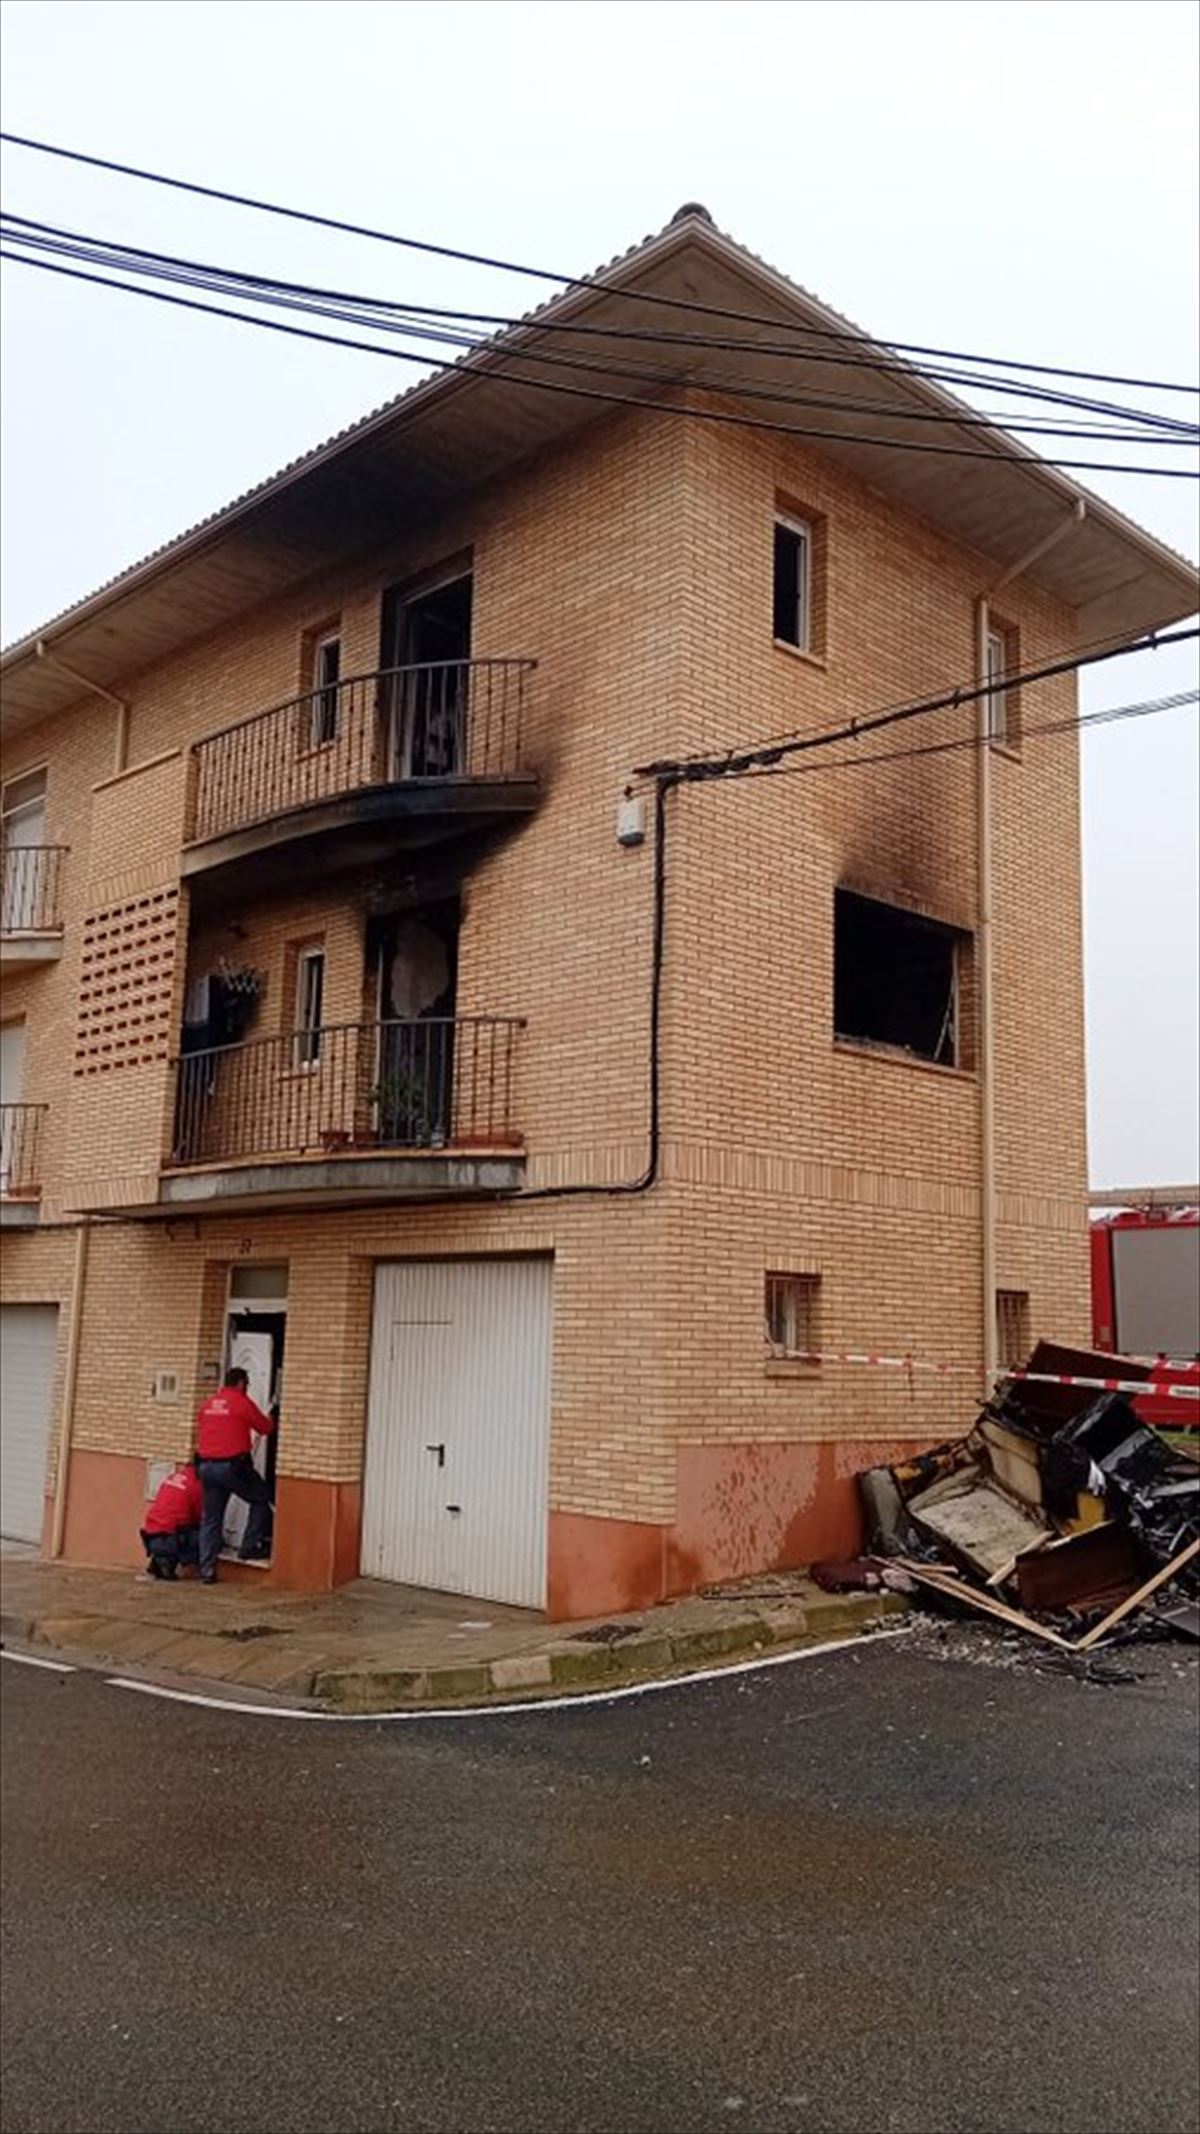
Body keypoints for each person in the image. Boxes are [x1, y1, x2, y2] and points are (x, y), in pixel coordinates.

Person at [195, 1367, 276, 1584]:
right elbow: (265, 1428)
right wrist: (271, 1417)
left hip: (206, 1468)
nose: (248, 1388)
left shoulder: (209, 1404)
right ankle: (249, 1547)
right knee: (261, 1498)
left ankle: (207, 1570)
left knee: (211, 1517)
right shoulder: (241, 1402)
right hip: (232, 1467)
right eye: (247, 1384)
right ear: (241, 1383)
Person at [140, 1457, 203, 1580]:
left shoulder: (174, 1476)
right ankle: (169, 1561)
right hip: (171, 1536)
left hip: (151, 1533)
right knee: (208, 1536)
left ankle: (159, 1561)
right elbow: (201, 1516)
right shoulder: (197, 1485)